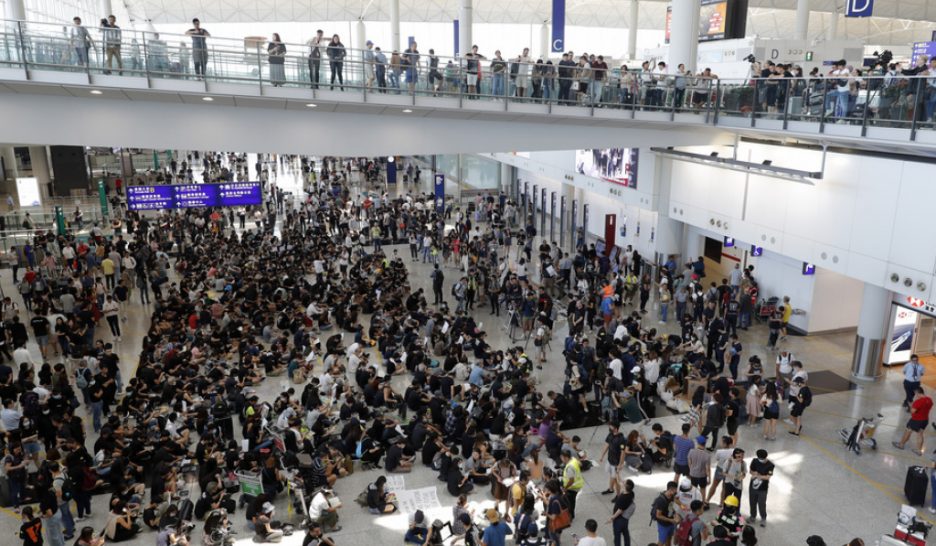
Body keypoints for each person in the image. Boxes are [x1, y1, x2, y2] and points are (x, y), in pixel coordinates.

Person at [893, 386, 932, 456]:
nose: (915, 395)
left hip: (916, 420)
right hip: (925, 420)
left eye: (915, 394)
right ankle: (919, 451)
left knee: (908, 431)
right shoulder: (929, 400)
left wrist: (911, 406)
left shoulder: (918, 402)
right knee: (920, 434)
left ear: (917, 393)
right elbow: (925, 408)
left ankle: (901, 445)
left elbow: (912, 411)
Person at [748, 449, 774, 528]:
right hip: (753, 486)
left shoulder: (770, 465)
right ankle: (752, 516)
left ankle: (763, 518)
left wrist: (758, 476)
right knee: (752, 502)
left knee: (761, 503)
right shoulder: (755, 461)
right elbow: (751, 471)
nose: (760, 460)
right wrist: (754, 473)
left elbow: (768, 477)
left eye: (762, 459)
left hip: (763, 488)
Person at [598, 421, 625, 495]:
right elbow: (607, 445)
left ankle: (618, 495)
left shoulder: (621, 439)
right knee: (612, 477)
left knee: (616, 479)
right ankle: (611, 489)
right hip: (610, 460)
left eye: (611, 426)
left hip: (616, 463)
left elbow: (623, 453)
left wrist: (620, 464)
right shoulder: (610, 435)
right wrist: (602, 456)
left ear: (616, 428)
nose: (609, 428)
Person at [607, 479, 634, 546]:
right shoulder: (631, 493)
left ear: (625, 486)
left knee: (617, 536)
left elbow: (620, 510)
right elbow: (619, 481)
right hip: (625, 519)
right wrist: (618, 472)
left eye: (624, 482)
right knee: (625, 533)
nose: (622, 482)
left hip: (619, 519)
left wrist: (612, 518)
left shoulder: (623, 498)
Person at [652, 481, 680, 546]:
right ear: (670, 489)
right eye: (675, 490)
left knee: (669, 539)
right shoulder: (661, 501)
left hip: (671, 523)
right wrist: (671, 520)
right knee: (661, 543)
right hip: (663, 525)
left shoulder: (671, 496)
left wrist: (676, 513)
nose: (676, 491)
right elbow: (658, 515)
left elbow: (672, 505)